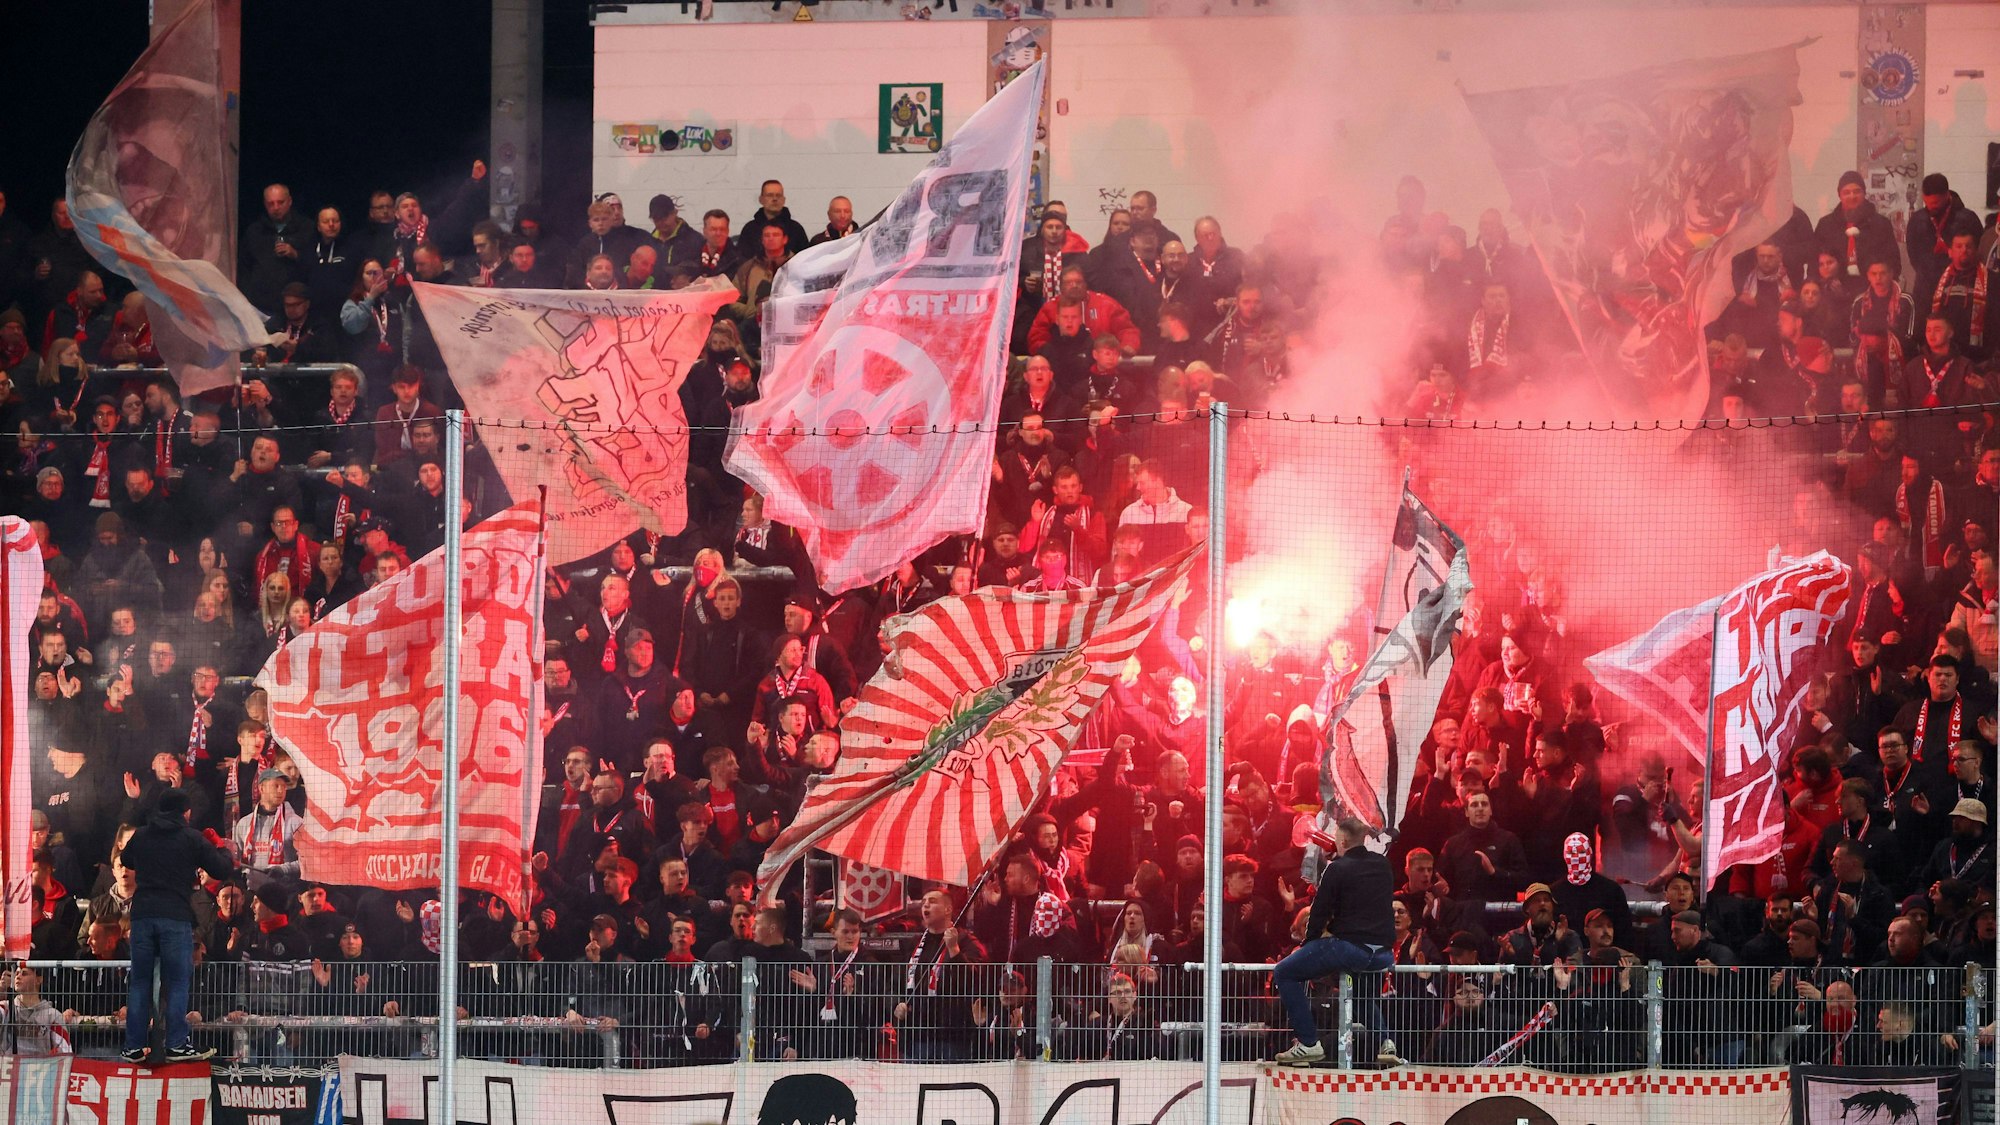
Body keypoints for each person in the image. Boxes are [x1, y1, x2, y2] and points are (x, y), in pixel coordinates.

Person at [121, 787, 233, 1062]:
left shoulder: (143, 834)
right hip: (174, 915)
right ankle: (176, 1044)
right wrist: (219, 846)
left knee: (140, 981)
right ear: (186, 812)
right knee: (178, 980)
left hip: (143, 914)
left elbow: (125, 860)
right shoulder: (191, 838)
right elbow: (221, 869)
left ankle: (133, 1046)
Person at [1272, 817, 1395, 1064]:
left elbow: (1318, 912)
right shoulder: (1382, 864)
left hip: (1350, 948)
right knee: (1362, 997)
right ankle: (1386, 1043)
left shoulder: (1337, 869)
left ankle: (1308, 1043)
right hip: (1382, 953)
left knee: (1284, 972)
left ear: (1342, 840)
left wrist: (1309, 945)